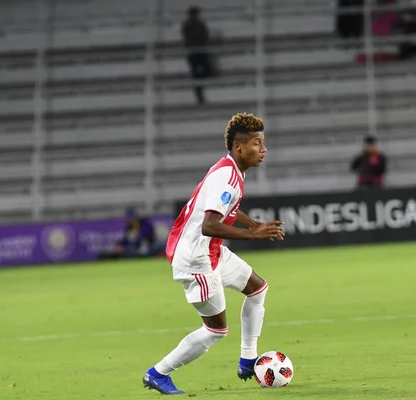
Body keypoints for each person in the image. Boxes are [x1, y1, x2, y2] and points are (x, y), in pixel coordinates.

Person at [142, 113, 285, 395]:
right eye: (257, 143)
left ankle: (247, 360)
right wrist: (252, 234)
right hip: (197, 258)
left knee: (257, 289)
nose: (263, 149)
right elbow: (209, 225)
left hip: (212, 251)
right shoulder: (227, 177)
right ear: (238, 147)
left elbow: (227, 207)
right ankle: (158, 373)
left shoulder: (231, 170)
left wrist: (252, 223)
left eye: (263, 142)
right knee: (215, 330)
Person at [97, 209, 163, 260]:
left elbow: (142, 238)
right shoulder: (129, 228)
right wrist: (119, 244)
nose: (130, 221)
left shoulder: (145, 225)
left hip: (148, 246)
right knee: (128, 250)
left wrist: (128, 245)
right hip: (135, 249)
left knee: (157, 246)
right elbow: (126, 240)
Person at [182, 6, 211, 105]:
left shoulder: (199, 25)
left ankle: (200, 91)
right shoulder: (189, 26)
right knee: (197, 73)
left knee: (205, 70)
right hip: (194, 52)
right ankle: (199, 93)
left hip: (200, 51)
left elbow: (205, 36)